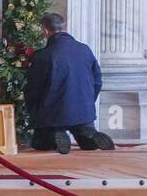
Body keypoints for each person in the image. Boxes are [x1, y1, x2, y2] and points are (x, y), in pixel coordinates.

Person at [24, 13, 114, 154]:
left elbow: (33, 89)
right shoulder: (85, 50)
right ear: (65, 27)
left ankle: (55, 135)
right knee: (84, 132)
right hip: (83, 112)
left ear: (45, 31)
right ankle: (89, 136)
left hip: (53, 114)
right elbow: (97, 81)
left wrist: (33, 111)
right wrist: (88, 102)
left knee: (39, 143)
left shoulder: (42, 55)